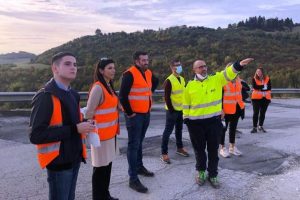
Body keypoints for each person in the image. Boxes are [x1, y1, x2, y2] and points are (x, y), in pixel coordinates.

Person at [29, 52, 95, 200]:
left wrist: (84, 122)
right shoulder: (45, 96)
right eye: (67, 64)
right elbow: (36, 135)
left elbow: (70, 121)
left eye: (75, 64)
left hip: (74, 157)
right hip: (58, 163)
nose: (73, 67)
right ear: (55, 68)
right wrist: (75, 129)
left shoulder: (73, 94)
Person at [183, 58, 254, 189]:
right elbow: (185, 105)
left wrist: (239, 65)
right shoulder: (189, 86)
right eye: (200, 67)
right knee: (199, 151)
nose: (204, 68)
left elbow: (228, 73)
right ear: (194, 70)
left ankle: (213, 174)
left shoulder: (216, 79)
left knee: (213, 151)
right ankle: (202, 173)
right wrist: (187, 120)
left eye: (205, 66)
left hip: (213, 123)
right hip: (195, 124)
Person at [119, 51, 159, 193]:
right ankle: (133, 179)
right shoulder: (129, 74)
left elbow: (156, 81)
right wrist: (130, 113)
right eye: (143, 60)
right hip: (135, 116)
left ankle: (139, 167)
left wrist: (149, 93)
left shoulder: (147, 73)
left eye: (147, 60)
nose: (146, 62)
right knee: (133, 145)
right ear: (136, 61)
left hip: (145, 113)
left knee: (139, 143)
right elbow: (122, 96)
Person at [85, 58, 119, 200]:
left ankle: (105, 195)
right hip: (100, 137)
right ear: (101, 70)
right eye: (110, 68)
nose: (113, 70)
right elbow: (89, 112)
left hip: (110, 134)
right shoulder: (98, 87)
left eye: (113, 68)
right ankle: (98, 197)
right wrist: (91, 134)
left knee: (107, 167)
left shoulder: (109, 86)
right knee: (99, 169)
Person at [160, 59, 189, 164]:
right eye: (177, 65)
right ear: (172, 68)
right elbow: (166, 98)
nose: (179, 67)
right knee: (167, 132)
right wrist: (172, 110)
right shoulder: (169, 80)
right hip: (172, 111)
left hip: (181, 110)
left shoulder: (182, 79)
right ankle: (164, 153)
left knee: (179, 130)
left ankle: (179, 148)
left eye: (180, 65)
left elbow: (184, 94)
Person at [219, 72, 245, 158]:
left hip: (237, 108)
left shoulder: (238, 80)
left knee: (233, 129)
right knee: (223, 129)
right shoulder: (223, 81)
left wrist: (242, 107)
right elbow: (219, 97)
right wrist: (221, 109)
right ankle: (222, 148)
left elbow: (239, 94)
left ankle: (232, 147)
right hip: (225, 111)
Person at [250, 67, 271, 133]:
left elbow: (269, 87)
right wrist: (264, 87)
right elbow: (255, 87)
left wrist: (261, 88)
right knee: (255, 113)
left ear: (262, 72)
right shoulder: (254, 79)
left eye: (259, 71)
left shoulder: (267, 78)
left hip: (265, 98)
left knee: (262, 113)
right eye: (257, 71)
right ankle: (254, 128)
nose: (258, 73)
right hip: (256, 99)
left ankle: (260, 126)